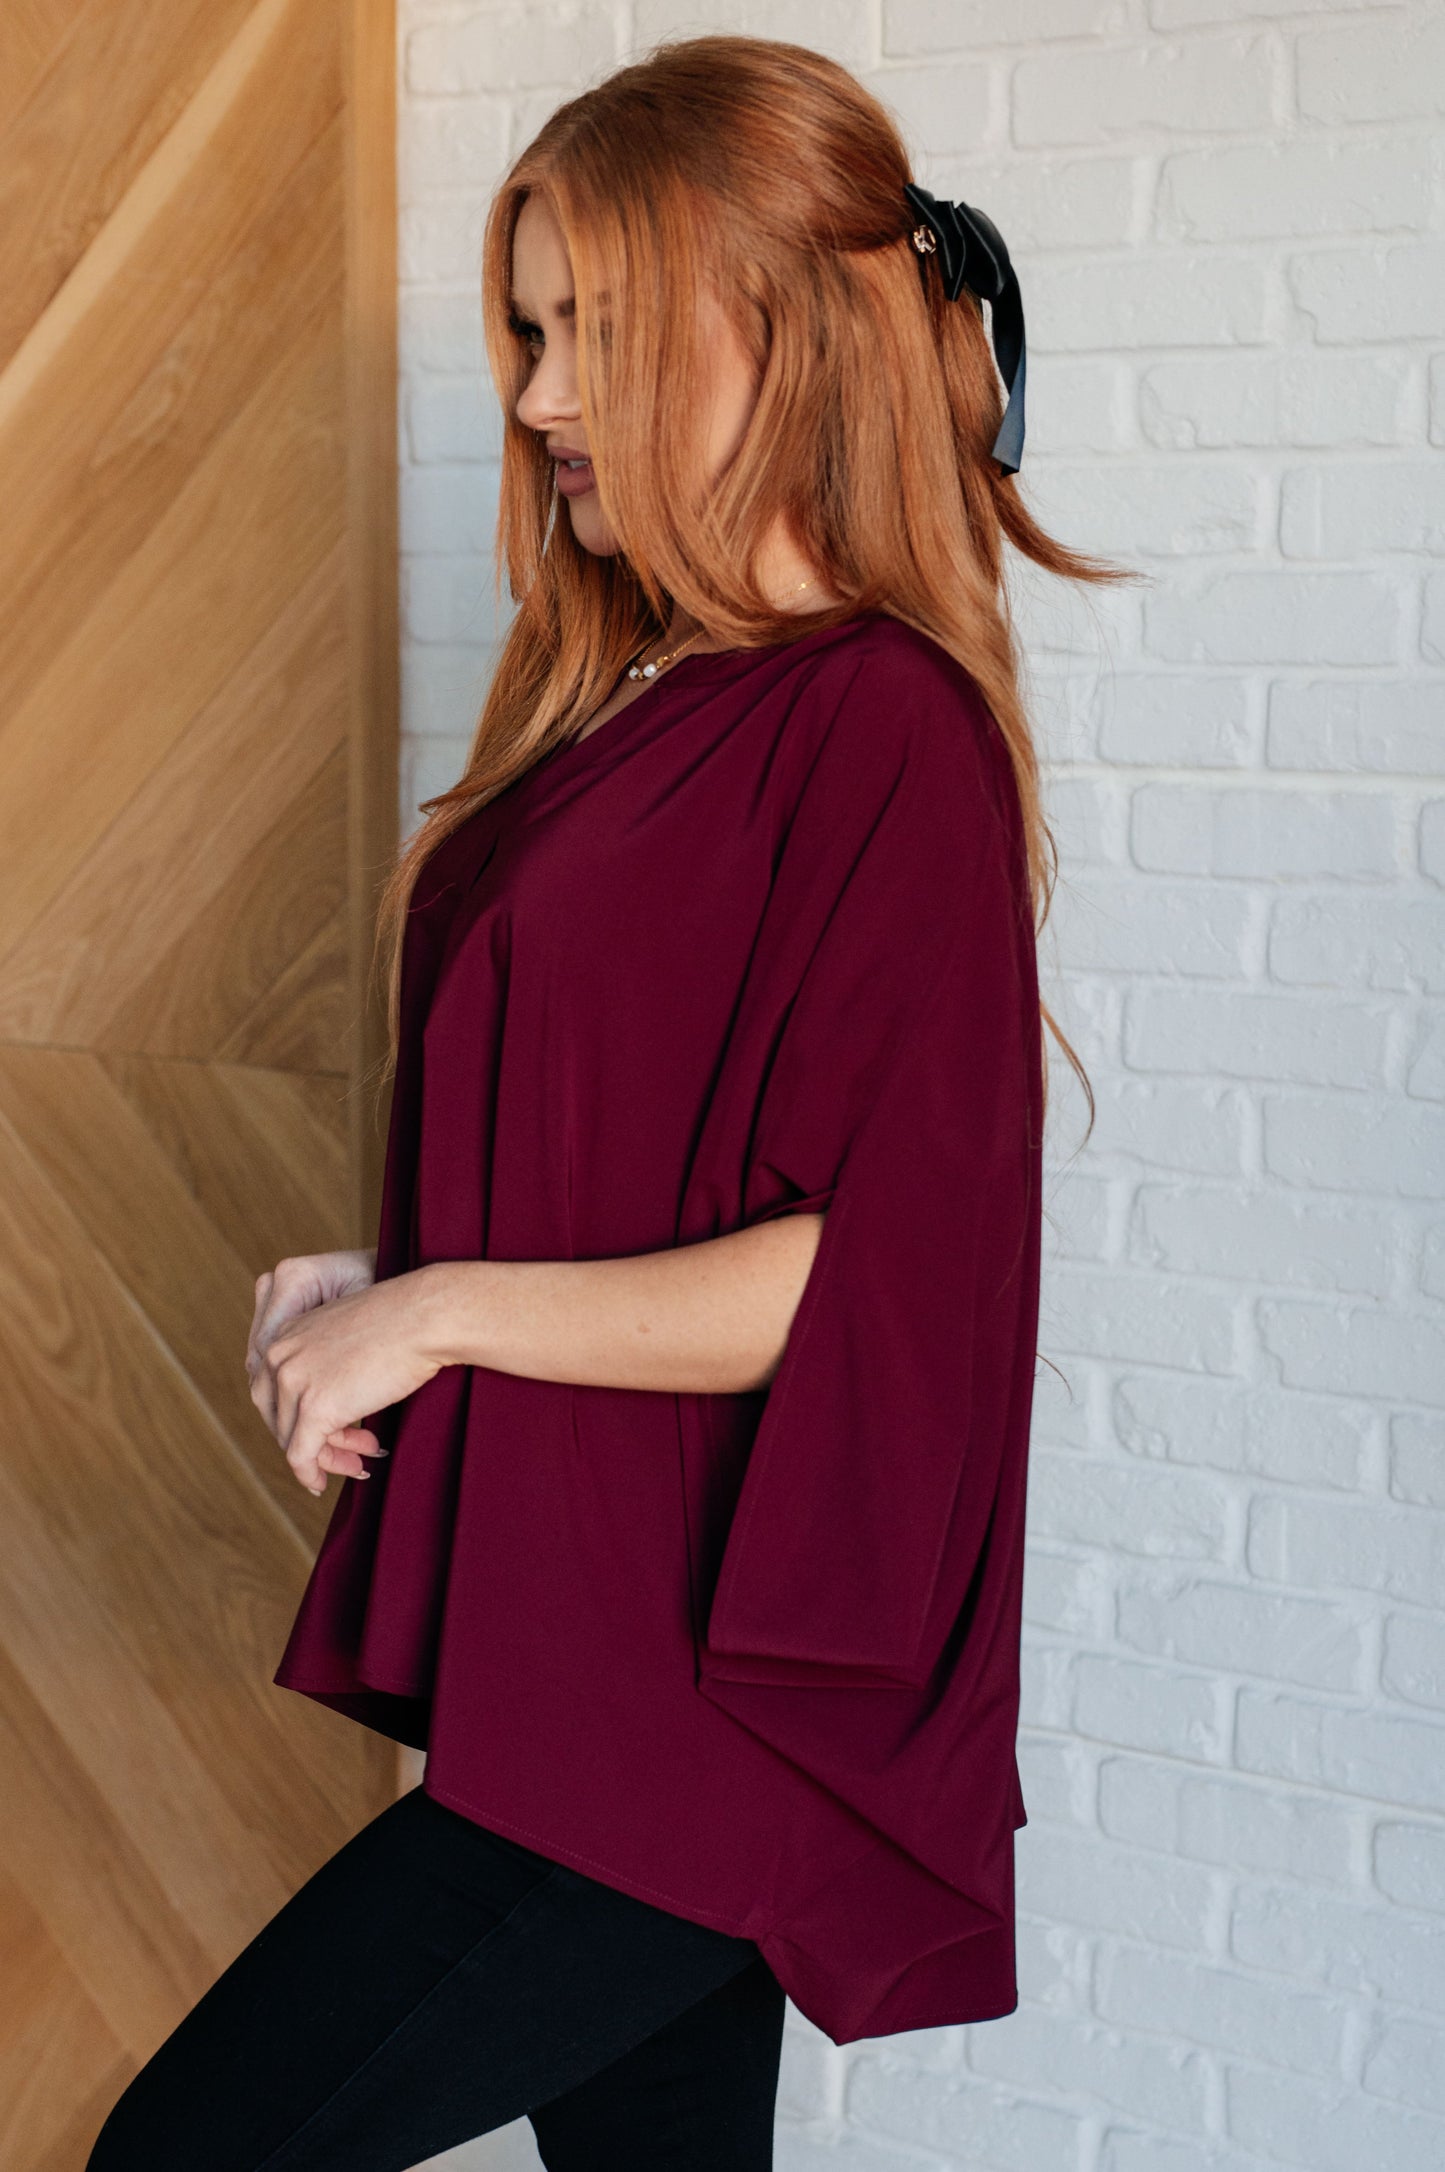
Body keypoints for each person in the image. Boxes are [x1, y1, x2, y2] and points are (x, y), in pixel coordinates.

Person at [87, 31, 1133, 2172]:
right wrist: (394, 1277)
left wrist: (442, 1311)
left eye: (604, 332)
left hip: (698, 1703)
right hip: (586, 1660)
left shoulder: (880, 730)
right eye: (534, 330)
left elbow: (865, 1281)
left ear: (794, 336)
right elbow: (647, 1182)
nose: (542, 395)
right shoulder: (633, 699)